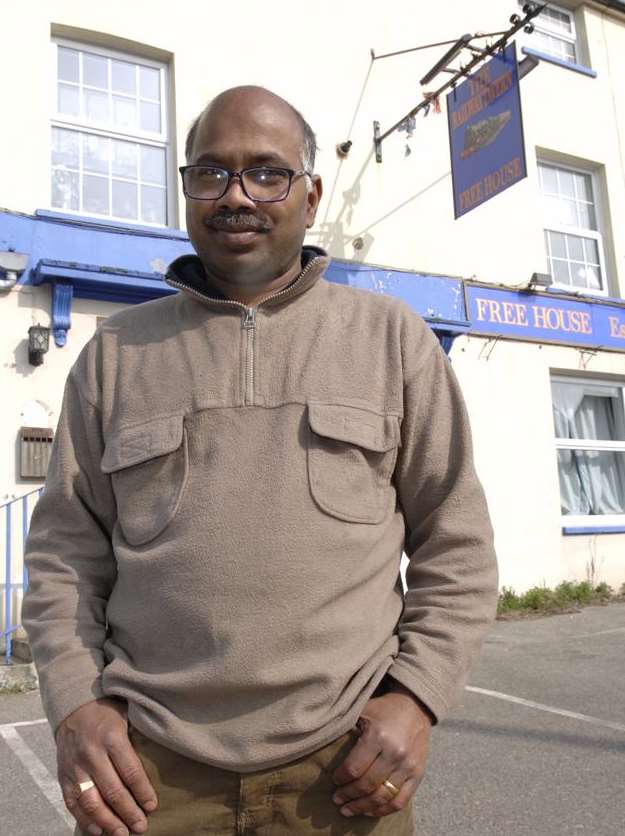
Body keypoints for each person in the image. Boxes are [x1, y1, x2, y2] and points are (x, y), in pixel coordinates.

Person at [22, 85, 498, 836]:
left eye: (266, 173)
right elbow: (62, 557)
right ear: (185, 192)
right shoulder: (117, 354)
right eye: (210, 173)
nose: (235, 196)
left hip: (343, 772)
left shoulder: (390, 340)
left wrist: (415, 697)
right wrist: (76, 703)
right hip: (148, 777)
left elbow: (456, 544)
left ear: (309, 197)